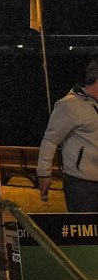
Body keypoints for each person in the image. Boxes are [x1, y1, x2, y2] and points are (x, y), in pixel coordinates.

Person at [37, 60, 98, 212]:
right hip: (81, 186)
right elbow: (50, 140)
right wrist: (44, 174)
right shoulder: (69, 105)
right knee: (83, 226)